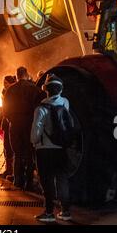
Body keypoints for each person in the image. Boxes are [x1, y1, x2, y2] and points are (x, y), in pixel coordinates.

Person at [31, 74, 72, 223]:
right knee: (62, 179)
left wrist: (34, 142)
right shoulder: (65, 103)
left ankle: (49, 212)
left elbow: (35, 132)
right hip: (61, 148)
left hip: (45, 150)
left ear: (46, 90)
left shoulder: (41, 108)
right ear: (61, 89)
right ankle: (65, 211)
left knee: (47, 181)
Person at [3, 66, 44, 189]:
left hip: (15, 125)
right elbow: (39, 108)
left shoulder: (10, 90)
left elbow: (5, 110)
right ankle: (29, 182)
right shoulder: (34, 89)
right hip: (29, 125)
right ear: (26, 75)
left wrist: (12, 120)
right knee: (29, 153)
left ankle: (18, 180)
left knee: (17, 153)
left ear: (17, 76)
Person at [0, 75, 16, 179]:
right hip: (5, 123)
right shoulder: (4, 93)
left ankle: (11, 171)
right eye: (4, 83)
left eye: (6, 83)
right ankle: (8, 169)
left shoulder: (12, 93)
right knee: (6, 148)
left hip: (10, 123)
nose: (4, 85)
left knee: (9, 147)